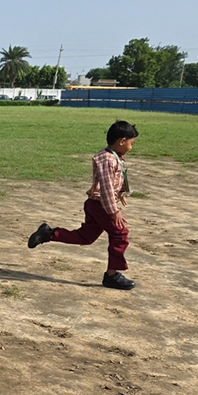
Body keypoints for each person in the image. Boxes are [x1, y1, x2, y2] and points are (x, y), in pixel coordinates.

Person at [28, 120, 139, 290]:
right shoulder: (107, 159)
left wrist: (121, 194)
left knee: (86, 237)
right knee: (120, 234)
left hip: (97, 204)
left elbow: (115, 182)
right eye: (132, 143)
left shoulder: (113, 156)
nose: (132, 147)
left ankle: (49, 234)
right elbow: (107, 187)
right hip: (100, 205)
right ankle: (112, 275)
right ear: (122, 141)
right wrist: (114, 211)